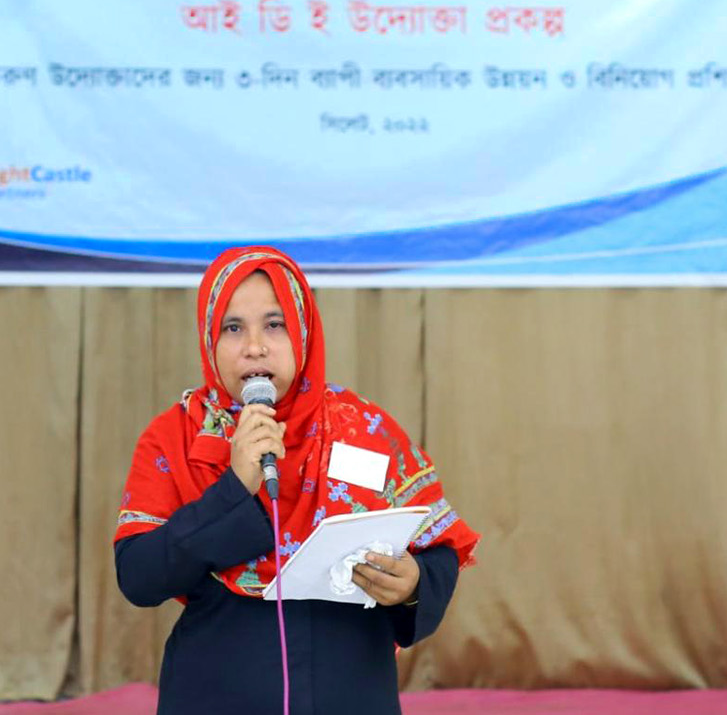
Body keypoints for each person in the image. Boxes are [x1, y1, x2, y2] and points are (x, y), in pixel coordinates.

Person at [114, 246, 480, 715]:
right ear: (209, 339)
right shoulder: (175, 438)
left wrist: (412, 586)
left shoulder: (365, 429)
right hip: (214, 692)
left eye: (274, 323)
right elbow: (139, 576)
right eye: (232, 328)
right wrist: (234, 487)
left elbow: (439, 555)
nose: (254, 346)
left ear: (303, 330)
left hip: (350, 691)